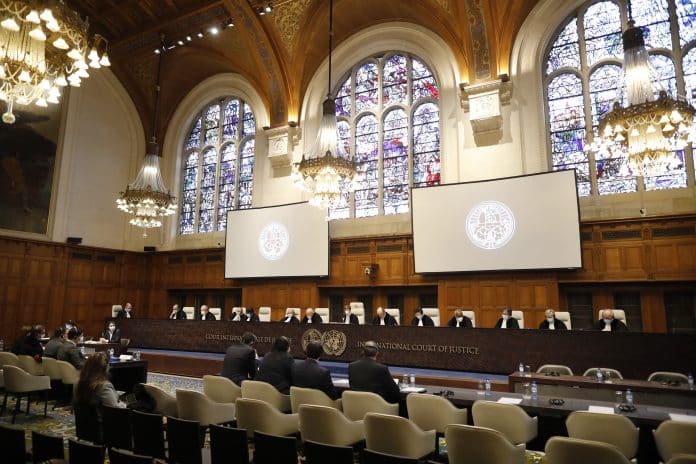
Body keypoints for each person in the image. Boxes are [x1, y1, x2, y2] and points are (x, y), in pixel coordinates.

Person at [73, 352, 125, 443]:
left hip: (84, 425)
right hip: (102, 427)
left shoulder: (77, 384)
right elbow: (115, 411)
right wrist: (125, 405)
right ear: (105, 368)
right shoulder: (104, 386)